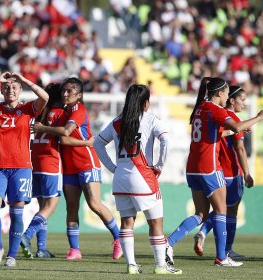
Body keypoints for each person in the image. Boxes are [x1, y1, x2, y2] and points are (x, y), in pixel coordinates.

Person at [165, 77, 263, 267]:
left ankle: (167, 244)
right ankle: (221, 257)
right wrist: (258, 117)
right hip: (209, 167)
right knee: (221, 211)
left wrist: (234, 130)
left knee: (201, 214)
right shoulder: (215, 109)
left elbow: (216, 133)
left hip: (193, 168)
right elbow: (235, 126)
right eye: (227, 92)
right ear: (219, 93)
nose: (228, 96)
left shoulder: (200, 107)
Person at [93, 84, 182, 275]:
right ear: (146, 103)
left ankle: (131, 265)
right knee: (155, 223)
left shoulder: (117, 121)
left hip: (121, 177)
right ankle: (160, 266)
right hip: (143, 176)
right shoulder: (150, 120)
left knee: (127, 222)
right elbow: (166, 140)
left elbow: (98, 143)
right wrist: (159, 165)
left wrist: (112, 168)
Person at [32, 77, 123, 260]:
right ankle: (75, 250)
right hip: (69, 166)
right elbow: (63, 139)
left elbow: (65, 135)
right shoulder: (62, 111)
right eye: (64, 91)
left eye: (70, 91)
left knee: (94, 204)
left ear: (79, 95)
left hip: (87, 162)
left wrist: (43, 128)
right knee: (71, 208)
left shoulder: (78, 109)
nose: (65, 94)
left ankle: (119, 240)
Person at [0, 71, 49, 267]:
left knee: (17, 213)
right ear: (2, 90)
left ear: (20, 91)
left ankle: (12, 255)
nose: (10, 90)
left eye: (14, 87)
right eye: (6, 87)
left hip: (20, 168)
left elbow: (45, 97)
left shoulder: (28, 110)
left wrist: (24, 79)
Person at [19, 82, 94, 259]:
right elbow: (64, 135)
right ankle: (26, 236)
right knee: (50, 206)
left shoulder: (40, 114)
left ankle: (42, 249)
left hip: (35, 162)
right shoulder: (59, 114)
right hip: (51, 163)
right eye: (62, 92)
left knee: (42, 207)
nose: (65, 95)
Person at [193, 86, 253, 259]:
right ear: (232, 100)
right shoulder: (232, 118)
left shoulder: (215, 115)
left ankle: (219, 245)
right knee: (228, 210)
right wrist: (247, 173)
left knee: (221, 209)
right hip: (232, 172)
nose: (244, 103)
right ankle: (223, 248)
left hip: (215, 169)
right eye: (242, 99)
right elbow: (240, 148)